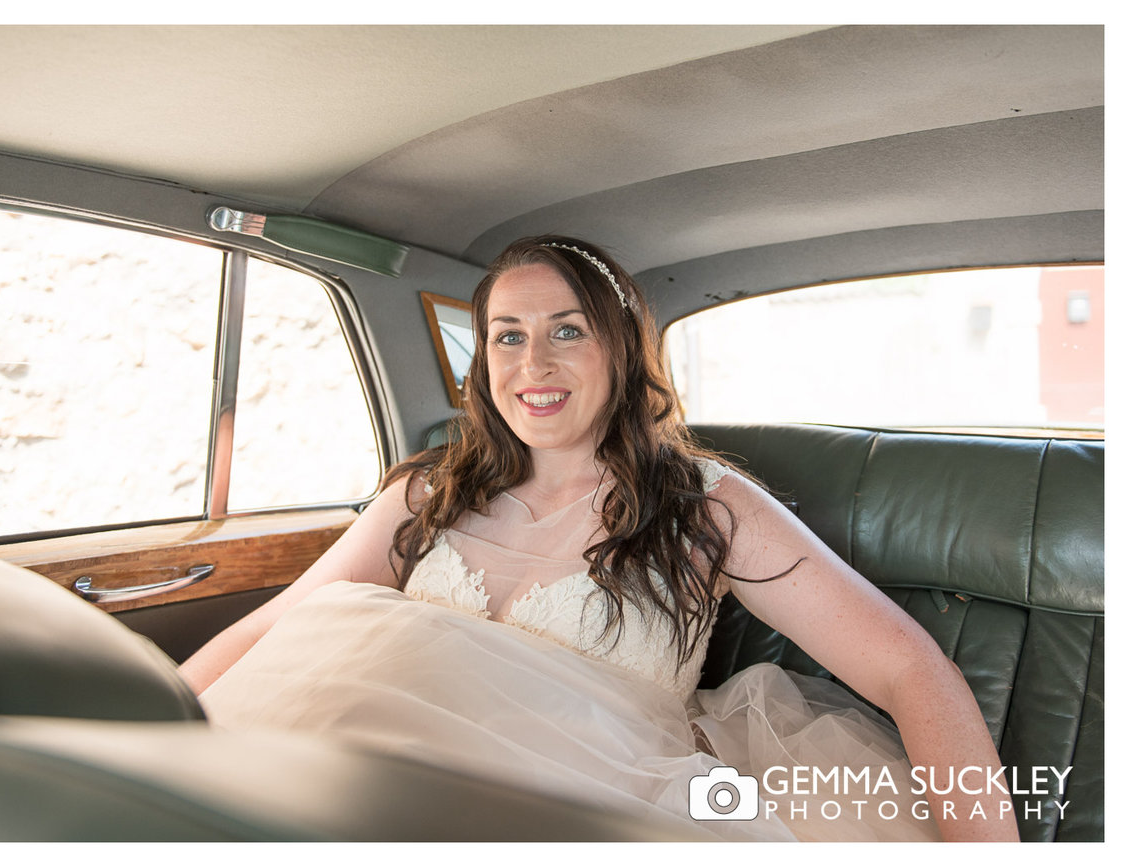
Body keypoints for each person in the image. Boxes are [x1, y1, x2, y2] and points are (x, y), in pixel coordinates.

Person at [179, 235, 1015, 842]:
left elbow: (911, 669)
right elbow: (280, 625)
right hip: (375, 807)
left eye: (566, 329)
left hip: (595, 822)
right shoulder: (425, 493)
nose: (532, 362)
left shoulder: (706, 508)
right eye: (509, 334)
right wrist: (136, 717)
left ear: (621, 350)